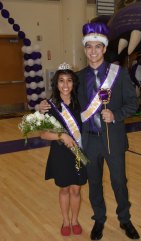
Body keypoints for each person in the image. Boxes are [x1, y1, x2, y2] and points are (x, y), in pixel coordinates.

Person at [39, 22, 140, 240]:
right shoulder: (78, 77)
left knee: (119, 182)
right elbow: (63, 97)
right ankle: (99, 220)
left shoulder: (119, 74)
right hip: (89, 140)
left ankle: (125, 219)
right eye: (89, 47)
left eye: (97, 46)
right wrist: (43, 106)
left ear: (104, 49)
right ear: (84, 49)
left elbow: (133, 103)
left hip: (113, 138)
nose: (93, 51)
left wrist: (116, 115)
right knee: (94, 183)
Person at [40, 63, 87, 236]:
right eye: (61, 81)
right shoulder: (49, 106)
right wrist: (62, 136)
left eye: (69, 81)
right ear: (56, 83)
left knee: (76, 189)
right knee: (64, 189)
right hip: (60, 153)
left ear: (74, 83)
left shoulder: (81, 104)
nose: (65, 85)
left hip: (78, 152)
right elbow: (43, 134)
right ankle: (65, 221)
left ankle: (75, 220)